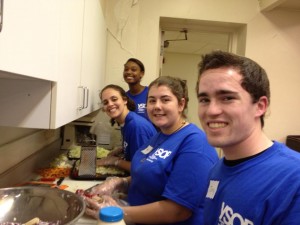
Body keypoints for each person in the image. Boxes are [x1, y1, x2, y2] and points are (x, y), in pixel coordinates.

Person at [83, 76, 219, 225]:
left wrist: (118, 212)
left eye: (165, 100)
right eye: (152, 100)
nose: (157, 106)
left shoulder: (196, 144)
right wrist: (120, 182)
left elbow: (178, 210)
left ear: (181, 104)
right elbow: (150, 175)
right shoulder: (161, 135)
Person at [196, 50, 300, 225]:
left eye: (227, 98)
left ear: (260, 106)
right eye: (205, 99)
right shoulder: (218, 169)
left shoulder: (292, 181)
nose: (211, 111)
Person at [98, 84, 157, 172]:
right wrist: (122, 149)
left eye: (114, 99)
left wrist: (115, 161)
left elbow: (141, 168)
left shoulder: (136, 126)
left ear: (125, 100)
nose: (110, 104)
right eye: (105, 102)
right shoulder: (125, 122)